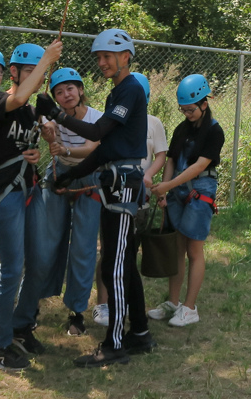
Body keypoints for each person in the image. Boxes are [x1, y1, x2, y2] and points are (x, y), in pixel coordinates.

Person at [37, 28, 153, 366]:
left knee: (114, 265)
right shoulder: (118, 92)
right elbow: (106, 148)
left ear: (126, 56)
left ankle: (115, 343)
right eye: (98, 57)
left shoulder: (130, 89)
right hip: (114, 176)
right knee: (124, 259)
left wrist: (57, 114)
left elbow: (99, 133)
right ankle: (140, 331)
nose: (101, 62)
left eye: (107, 56)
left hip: (122, 182)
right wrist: (72, 174)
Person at [0, 40, 63, 371]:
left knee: (40, 261)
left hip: (27, 189)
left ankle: (20, 324)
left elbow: (32, 145)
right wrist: (45, 60)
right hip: (6, 194)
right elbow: (17, 97)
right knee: (12, 268)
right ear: (13, 72)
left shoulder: (31, 113)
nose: (34, 77)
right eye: (27, 71)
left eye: (37, 72)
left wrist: (40, 144)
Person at [91, 71, 167, 328]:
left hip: (136, 194)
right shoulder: (115, 120)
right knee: (110, 254)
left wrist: (148, 176)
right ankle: (105, 303)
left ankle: (130, 318)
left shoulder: (153, 123)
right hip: (116, 190)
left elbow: (160, 155)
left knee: (126, 257)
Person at [147, 74, 223, 327]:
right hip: (178, 192)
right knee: (177, 248)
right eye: (183, 109)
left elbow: (200, 165)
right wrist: (164, 192)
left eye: (190, 110)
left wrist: (169, 185)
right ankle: (174, 302)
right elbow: (171, 160)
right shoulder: (181, 129)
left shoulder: (214, 131)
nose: (187, 114)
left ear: (204, 103)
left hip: (200, 192)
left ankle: (190, 308)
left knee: (194, 250)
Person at [39, 67, 102, 337]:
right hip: (61, 173)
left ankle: (76, 312)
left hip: (90, 175)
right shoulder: (53, 117)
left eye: (70, 89)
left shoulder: (97, 118)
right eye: (59, 92)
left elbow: (91, 147)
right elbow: (48, 129)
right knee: (48, 240)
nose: (66, 95)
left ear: (81, 91)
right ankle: (34, 301)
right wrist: (49, 131)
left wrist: (64, 148)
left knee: (83, 246)